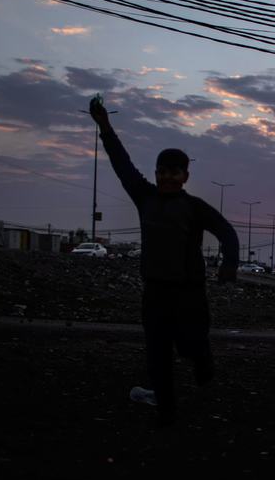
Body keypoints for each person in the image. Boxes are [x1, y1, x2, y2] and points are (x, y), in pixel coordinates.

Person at [89, 96, 239, 426]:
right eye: (163, 172)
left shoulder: (194, 207)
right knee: (157, 354)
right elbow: (122, 165)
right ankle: (166, 412)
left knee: (190, 346)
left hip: (190, 294)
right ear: (156, 173)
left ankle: (203, 364)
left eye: (175, 173)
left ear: (185, 176)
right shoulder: (145, 197)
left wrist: (230, 265)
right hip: (155, 292)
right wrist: (104, 126)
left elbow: (226, 231)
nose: (168, 178)